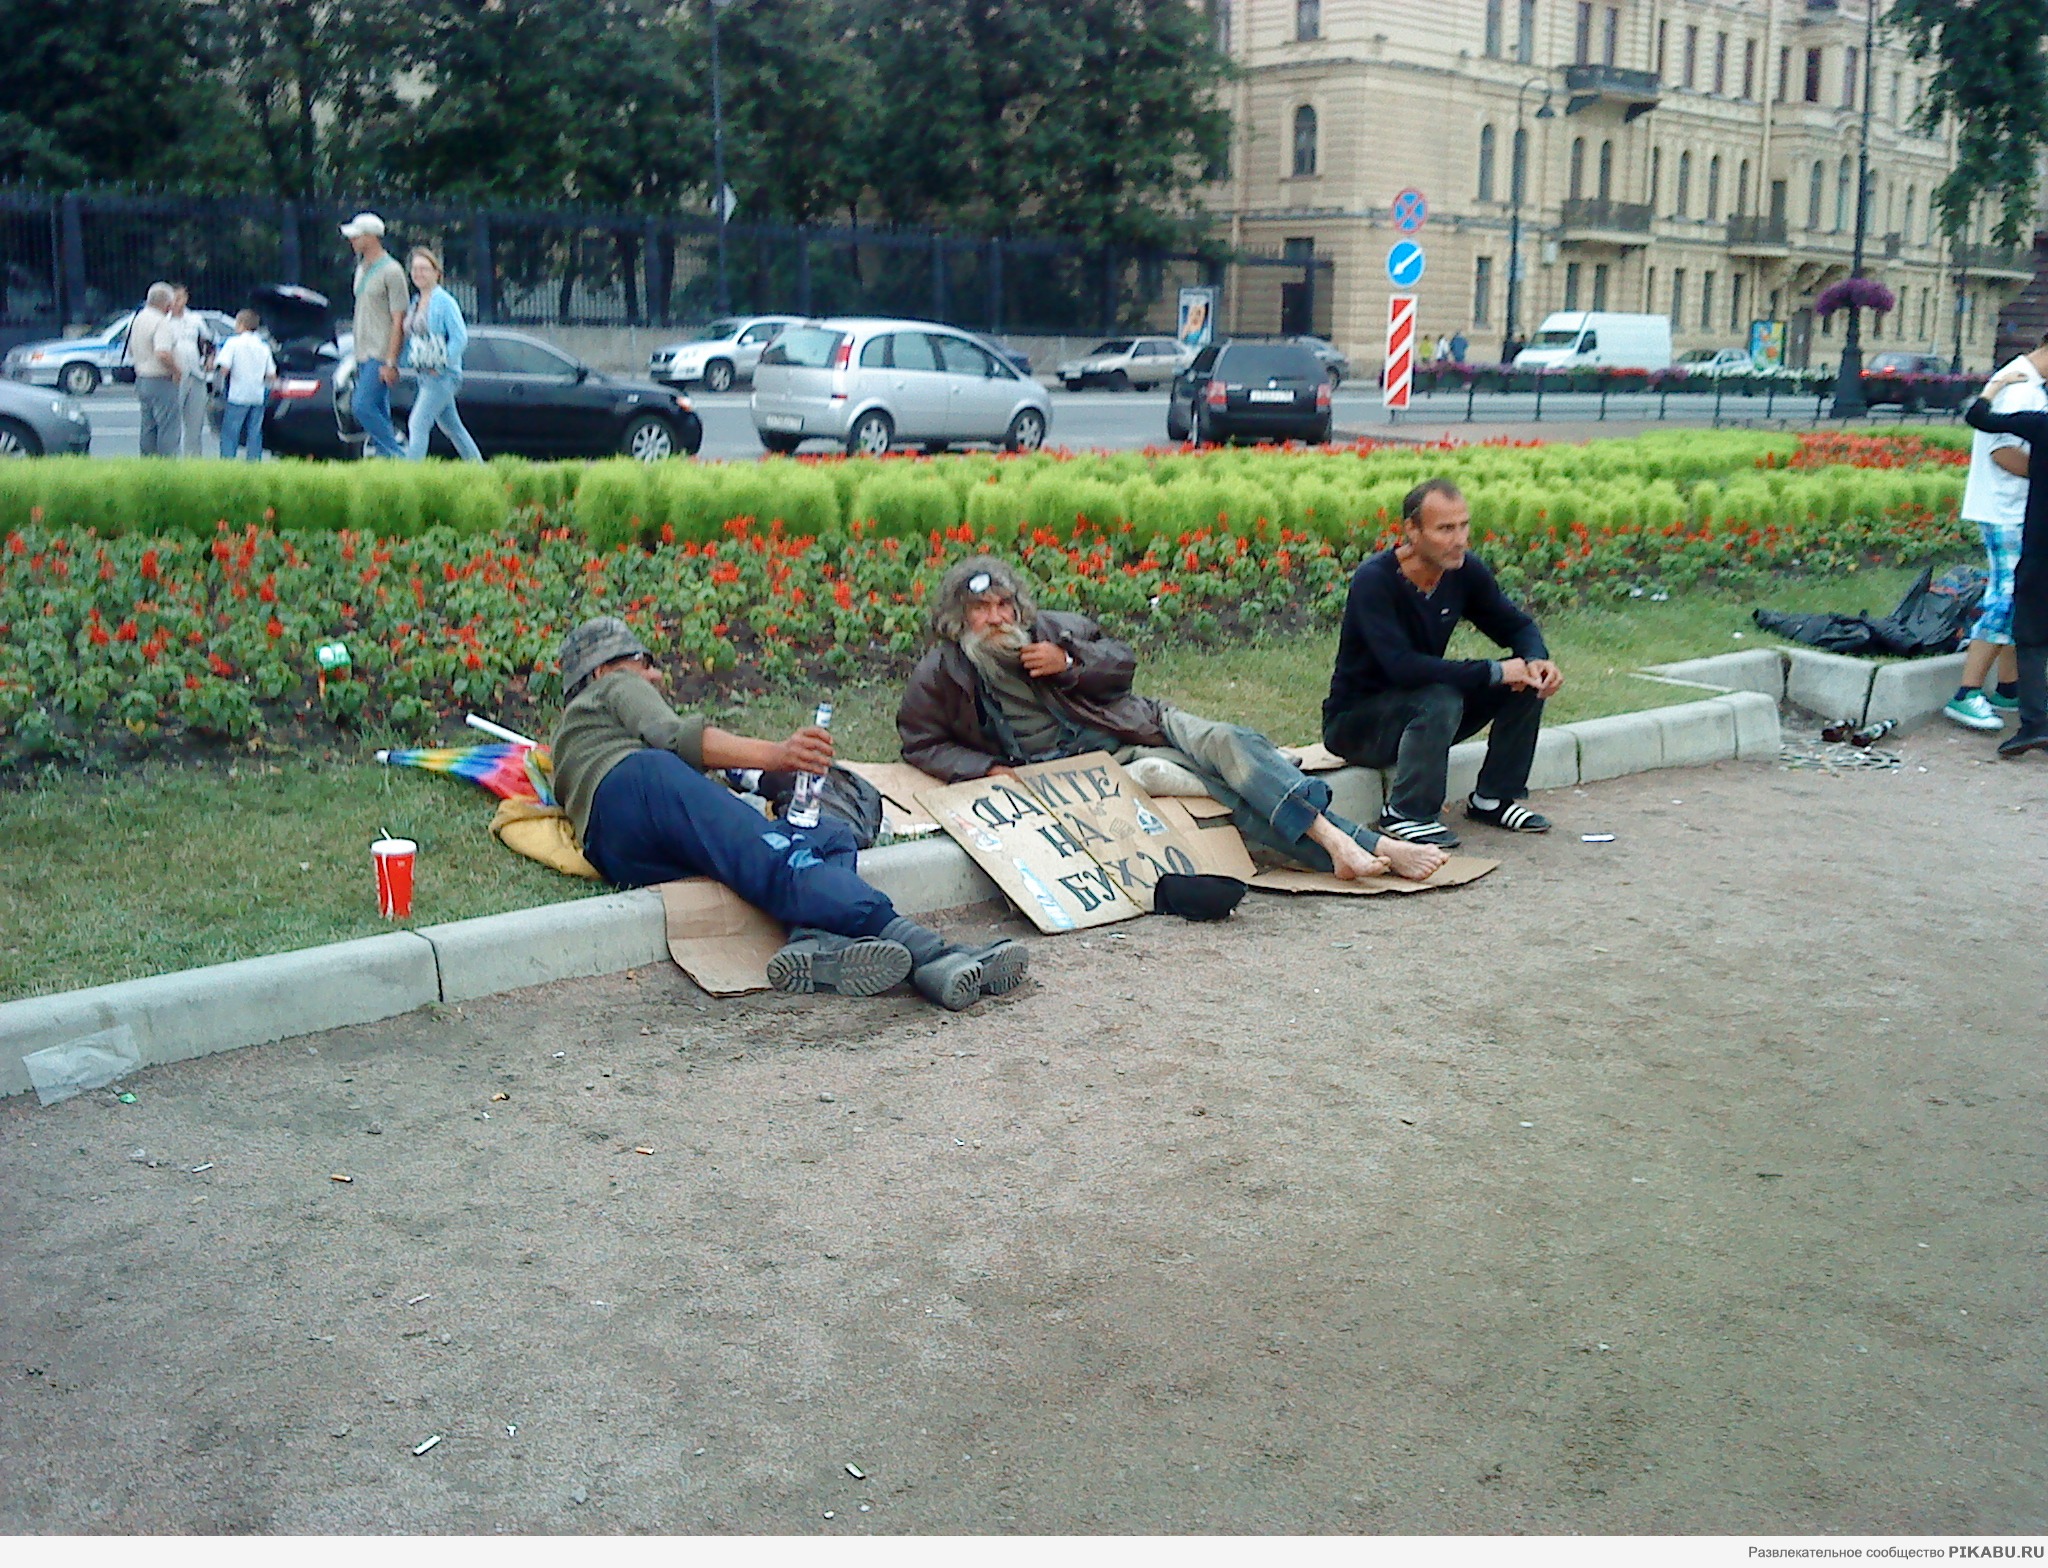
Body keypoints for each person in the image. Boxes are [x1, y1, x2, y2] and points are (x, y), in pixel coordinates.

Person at [550, 617, 1029, 1009]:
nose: (655, 675)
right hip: (640, 792)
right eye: (643, 662)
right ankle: (931, 952)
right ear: (600, 672)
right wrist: (779, 756)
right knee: (780, 857)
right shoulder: (614, 689)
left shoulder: (586, 738)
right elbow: (674, 738)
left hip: (631, 845)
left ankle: (813, 941)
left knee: (826, 835)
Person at [895, 556, 1451, 882]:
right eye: (981, 610)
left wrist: (1068, 665)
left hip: (1139, 721)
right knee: (1210, 786)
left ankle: (1341, 846)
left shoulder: (1051, 632)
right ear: (960, 616)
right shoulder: (944, 671)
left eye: (1003, 607)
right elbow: (920, 742)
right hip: (1089, 763)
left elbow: (1122, 665)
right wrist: (987, 767)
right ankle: (1358, 845)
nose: (995, 619)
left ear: (1018, 609)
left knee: (1230, 743)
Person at [1322, 477, 1562, 847]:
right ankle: (1407, 812)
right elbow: (1401, 666)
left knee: (1524, 681)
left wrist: (1535, 661)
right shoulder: (1375, 580)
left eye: (1464, 525)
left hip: (1422, 718)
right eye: (1445, 529)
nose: (1460, 539)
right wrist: (1494, 671)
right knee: (1441, 696)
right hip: (1357, 727)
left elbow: (1516, 625)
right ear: (1412, 531)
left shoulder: (1464, 571)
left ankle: (1493, 798)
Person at [1946, 329, 2048, 730]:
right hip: (2007, 508)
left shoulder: (2025, 382)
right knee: (2006, 597)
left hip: (2013, 507)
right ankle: (1966, 693)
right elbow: (2003, 452)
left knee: (2018, 595)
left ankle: (2010, 686)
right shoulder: (2020, 388)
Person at [399, 246, 483, 462]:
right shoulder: (416, 302)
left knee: (417, 423)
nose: (419, 273)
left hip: (442, 375)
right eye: (415, 269)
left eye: (424, 269)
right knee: (452, 427)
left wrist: (441, 364)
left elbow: (460, 337)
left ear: (437, 273)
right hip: (424, 375)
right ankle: (480, 470)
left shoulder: (445, 302)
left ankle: (409, 477)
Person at [342, 212, 410, 458]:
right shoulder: (361, 268)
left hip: (380, 352)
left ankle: (398, 456)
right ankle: (387, 462)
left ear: (371, 237)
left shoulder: (392, 271)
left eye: (357, 236)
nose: (352, 241)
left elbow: (399, 319)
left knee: (362, 406)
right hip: (362, 350)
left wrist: (391, 361)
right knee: (379, 409)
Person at [214, 309, 277, 462]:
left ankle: (227, 462)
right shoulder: (263, 346)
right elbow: (271, 374)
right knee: (255, 432)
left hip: (238, 394)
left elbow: (224, 368)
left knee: (231, 431)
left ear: (241, 325)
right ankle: (253, 462)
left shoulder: (233, 343)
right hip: (257, 394)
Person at [162, 284, 212, 457]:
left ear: (186, 298)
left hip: (196, 374)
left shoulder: (195, 320)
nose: (177, 302)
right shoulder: (163, 321)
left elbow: (208, 342)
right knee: (172, 423)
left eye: (180, 298)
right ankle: (172, 458)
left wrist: (209, 359)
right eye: (174, 298)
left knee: (195, 424)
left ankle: (193, 460)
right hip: (174, 377)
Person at [129, 282, 178, 457]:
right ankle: (168, 465)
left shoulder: (137, 319)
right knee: (168, 426)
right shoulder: (161, 322)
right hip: (160, 379)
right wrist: (176, 370)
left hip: (142, 377)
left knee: (148, 426)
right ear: (167, 304)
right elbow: (162, 353)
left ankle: (148, 463)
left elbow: (130, 349)